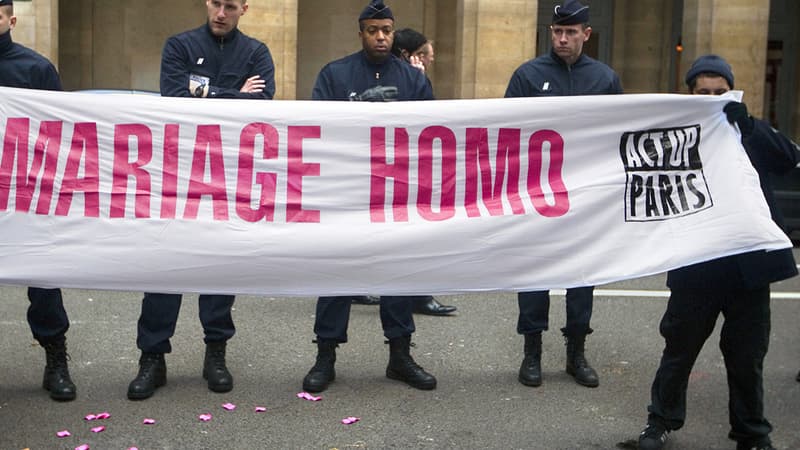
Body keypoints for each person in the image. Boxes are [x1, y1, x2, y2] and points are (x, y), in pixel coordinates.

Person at [637, 55, 799, 450]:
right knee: (679, 350)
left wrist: (748, 125)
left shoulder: (748, 131)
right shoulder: (675, 138)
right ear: (690, 95)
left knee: (747, 357)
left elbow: (787, 157)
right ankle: (659, 423)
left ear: (732, 92)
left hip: (747, 268)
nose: (712, 98)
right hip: (698, 265)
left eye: (719, 92)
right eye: (703, 93)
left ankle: (751, 432)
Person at [127, 0, 275, 400]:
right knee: (166, 263)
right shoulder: (178, 46)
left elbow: (261, 106)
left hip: (227, 177)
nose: (220, 13)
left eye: (230, 5)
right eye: (215, 3)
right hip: (178, 174)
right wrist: (234, 94)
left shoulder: (257, 53)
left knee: (219, 265)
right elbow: (174, 95)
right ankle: (152, 357)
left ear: (244, 8)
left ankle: (216, 352)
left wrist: (207, 93)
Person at [302, 0, 437, 394]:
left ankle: (400, 355)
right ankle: (325, 354)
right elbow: (317, 129)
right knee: (338, 273)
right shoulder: (335, 74)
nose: (381, 37)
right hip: (346, 191)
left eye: (388, 30)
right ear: (360, 32)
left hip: (395, 192)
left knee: (398, 272)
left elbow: (430, 134)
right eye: (373, 30)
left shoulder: (413, 81)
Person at [504, 0, 622, 389]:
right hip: (538, 192)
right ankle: (532, 351)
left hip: (585, 194)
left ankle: (576, 352)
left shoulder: (605, 79)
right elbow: (505, 131)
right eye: (557, 32)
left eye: (571, 32)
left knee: (582, 274)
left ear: (586, 34)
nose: (562, 39)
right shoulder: (527, 75)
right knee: (534, 271)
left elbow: (618, 136)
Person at [349, 27, 459, 317]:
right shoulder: (392, 75)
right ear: (410, 55)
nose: (430, 61)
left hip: (404, 169)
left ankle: (416, 293)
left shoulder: (413, 79)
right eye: (426, 55)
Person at [0, 0, 76, 402]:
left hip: (24, 192)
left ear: (10, 20)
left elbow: (58, 133)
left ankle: (56, 360)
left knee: (43, 281)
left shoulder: (36, 69)